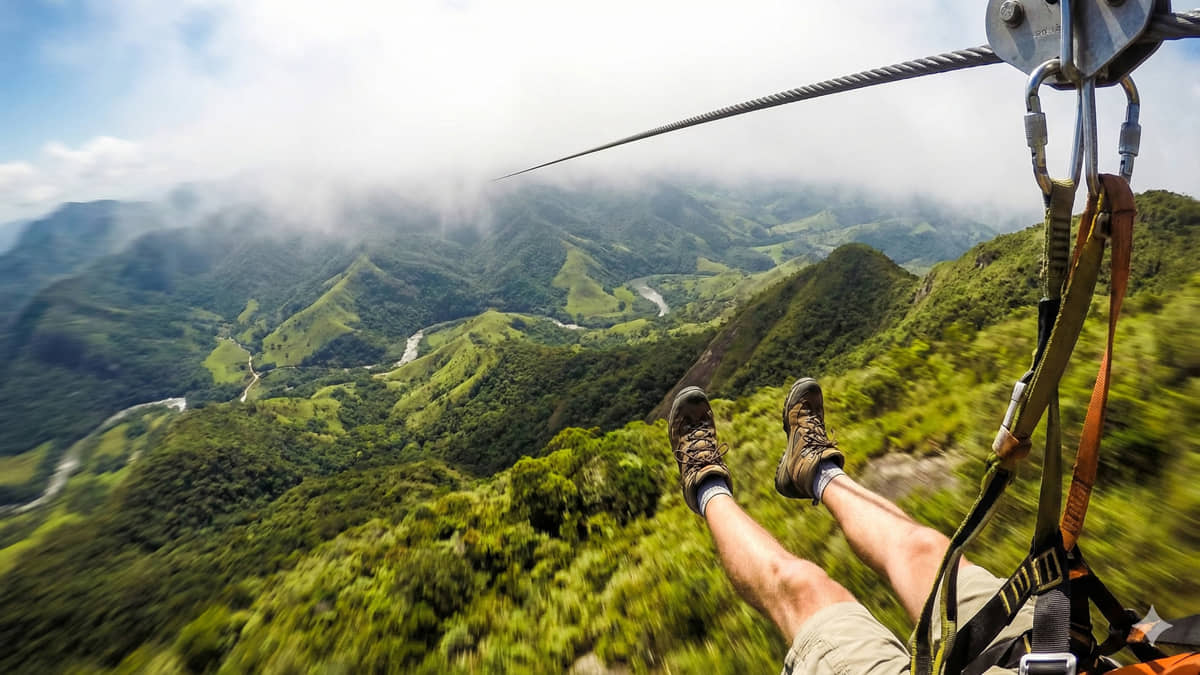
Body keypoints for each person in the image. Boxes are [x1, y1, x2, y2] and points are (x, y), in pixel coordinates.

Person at [668, 378, 1035, 675]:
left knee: (803, 589)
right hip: (1039, 650)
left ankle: (704, 483)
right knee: (924, 549)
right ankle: (813, 469)